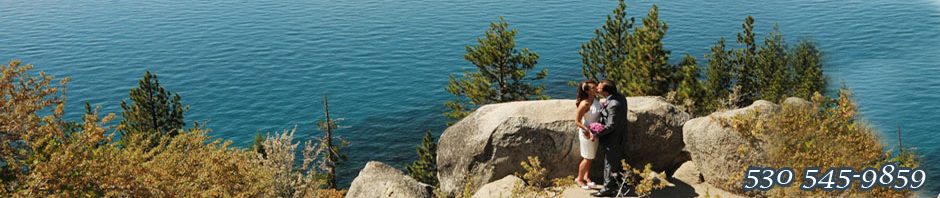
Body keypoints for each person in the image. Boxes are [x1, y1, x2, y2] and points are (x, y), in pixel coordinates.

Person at [590, 80, 628, 197]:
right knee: (616, 162)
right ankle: (618, 184)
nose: (597, 89)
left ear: (606, 91)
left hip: (614, 138)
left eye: (599, 88)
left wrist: (597, 134)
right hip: (620, 136)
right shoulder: (620, 96)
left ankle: (607, 189)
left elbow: (611, 125)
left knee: (610, 163)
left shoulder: (613, 104)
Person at [574, 80, 601, 189]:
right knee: (587, 157)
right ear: (588, 91)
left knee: (591, 157)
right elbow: (577, 121)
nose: (597, 88)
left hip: (595, 132)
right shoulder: (585, 103)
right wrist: (588, 131)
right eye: (594, 87)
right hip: (587, 133)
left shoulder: (596, 99)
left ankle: (586, 177)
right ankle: (579, 179)